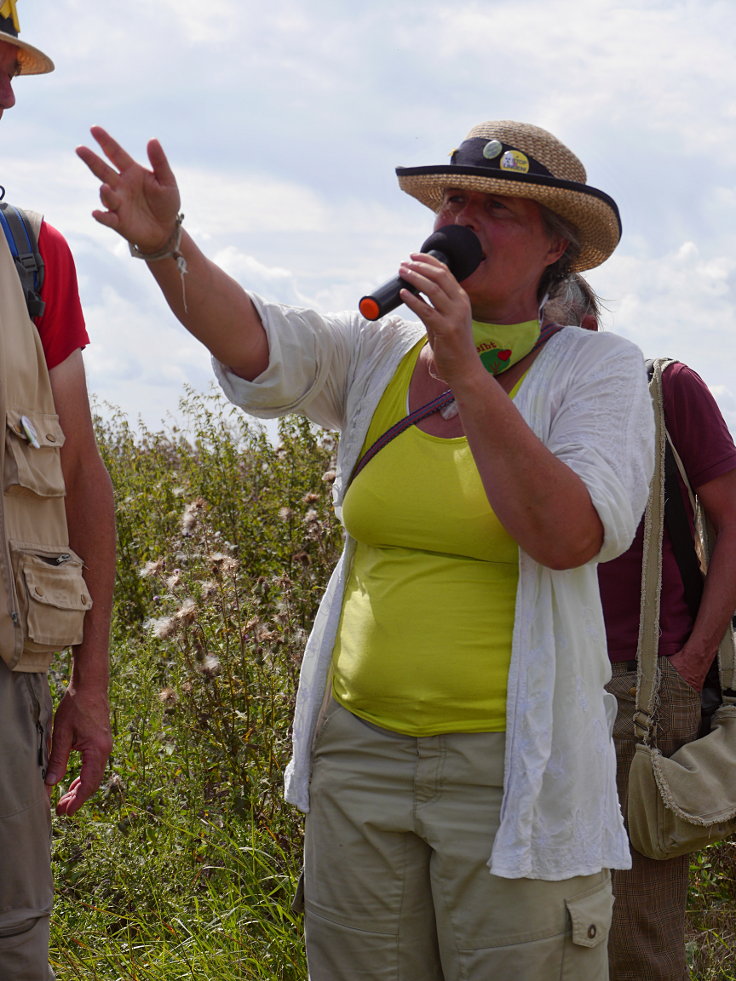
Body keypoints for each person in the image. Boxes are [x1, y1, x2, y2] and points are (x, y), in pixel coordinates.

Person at [77, 118, 654, 980]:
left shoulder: (597, 371)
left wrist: (466, 368)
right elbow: (260, 343)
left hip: (512, 774)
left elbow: (571, 532)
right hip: (362, 754)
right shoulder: (382, 350)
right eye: (453, 199)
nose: (460, 220)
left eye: (497, 207)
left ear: (556, 249)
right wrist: (169, 246)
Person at [551, 273, 736, 980]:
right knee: (537, 920)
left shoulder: (666, 390)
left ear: (590, 328)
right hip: (542, 681)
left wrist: (688, 664)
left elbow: (732, 521)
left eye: (554, 334)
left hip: (644, 691)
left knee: (637, 941)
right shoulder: (520, 401)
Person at [0, 5, 116, 979]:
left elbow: (82, 477)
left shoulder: (33, 255)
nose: (7, 93)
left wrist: (90, 684)